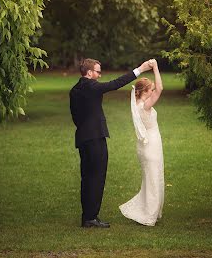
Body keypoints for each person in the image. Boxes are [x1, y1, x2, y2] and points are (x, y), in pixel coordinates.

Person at [69, 58, 153, 228]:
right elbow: (115, 84)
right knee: (97, 177)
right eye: (98, 72)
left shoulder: (75, 89)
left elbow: (76, 117)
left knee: (87, 178)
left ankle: (88, 216)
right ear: (89, 72)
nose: (100, 75)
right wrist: (139, 70)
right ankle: (91, 217)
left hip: (83, 137)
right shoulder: (91, 86)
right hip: (94, 138)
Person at [119, 58, 164, 226]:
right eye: (151, 89)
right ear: (145, 90)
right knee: (153, 179)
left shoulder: (137, 103)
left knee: (150, 178)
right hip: (150, 145)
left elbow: (157, 88)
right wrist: (156, 67)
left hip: (146, 146)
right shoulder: (145, 105)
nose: (153, 91)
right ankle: (149, 215)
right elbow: (160, 88)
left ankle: (149, 209)